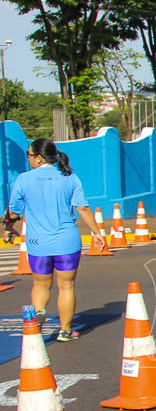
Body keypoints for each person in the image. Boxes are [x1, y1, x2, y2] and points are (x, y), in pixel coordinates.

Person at [7, 139, 105, 341]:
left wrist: (9, 228)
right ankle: (65, 331)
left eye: (29, 155)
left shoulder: (23, 180)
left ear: (39, 157)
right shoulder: (69, 177)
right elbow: (83, 208)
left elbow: (13, 210)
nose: (28, 159)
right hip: (67, 242)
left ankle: (39, 315)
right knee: (66, 286)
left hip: (37, 243)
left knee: (40, 285)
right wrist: (97, 233)